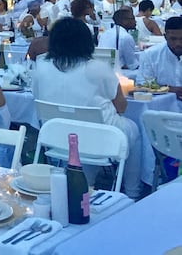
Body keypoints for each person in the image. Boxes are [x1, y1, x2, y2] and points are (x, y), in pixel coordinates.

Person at [32, 17, 143, 199]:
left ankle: (88, 184)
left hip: (57, 139)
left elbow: (37, 98)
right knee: (134, 130)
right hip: (100, 137)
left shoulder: (40, 69)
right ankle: (132, 192)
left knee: (85, 129)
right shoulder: (98, 68)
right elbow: (121, 107)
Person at [140, 17, 182, 97]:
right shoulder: (150, 55)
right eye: (173, 39)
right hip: (161, 104)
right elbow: (142, 83)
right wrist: (169, 89)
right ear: (165, 37)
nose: (178, 44)